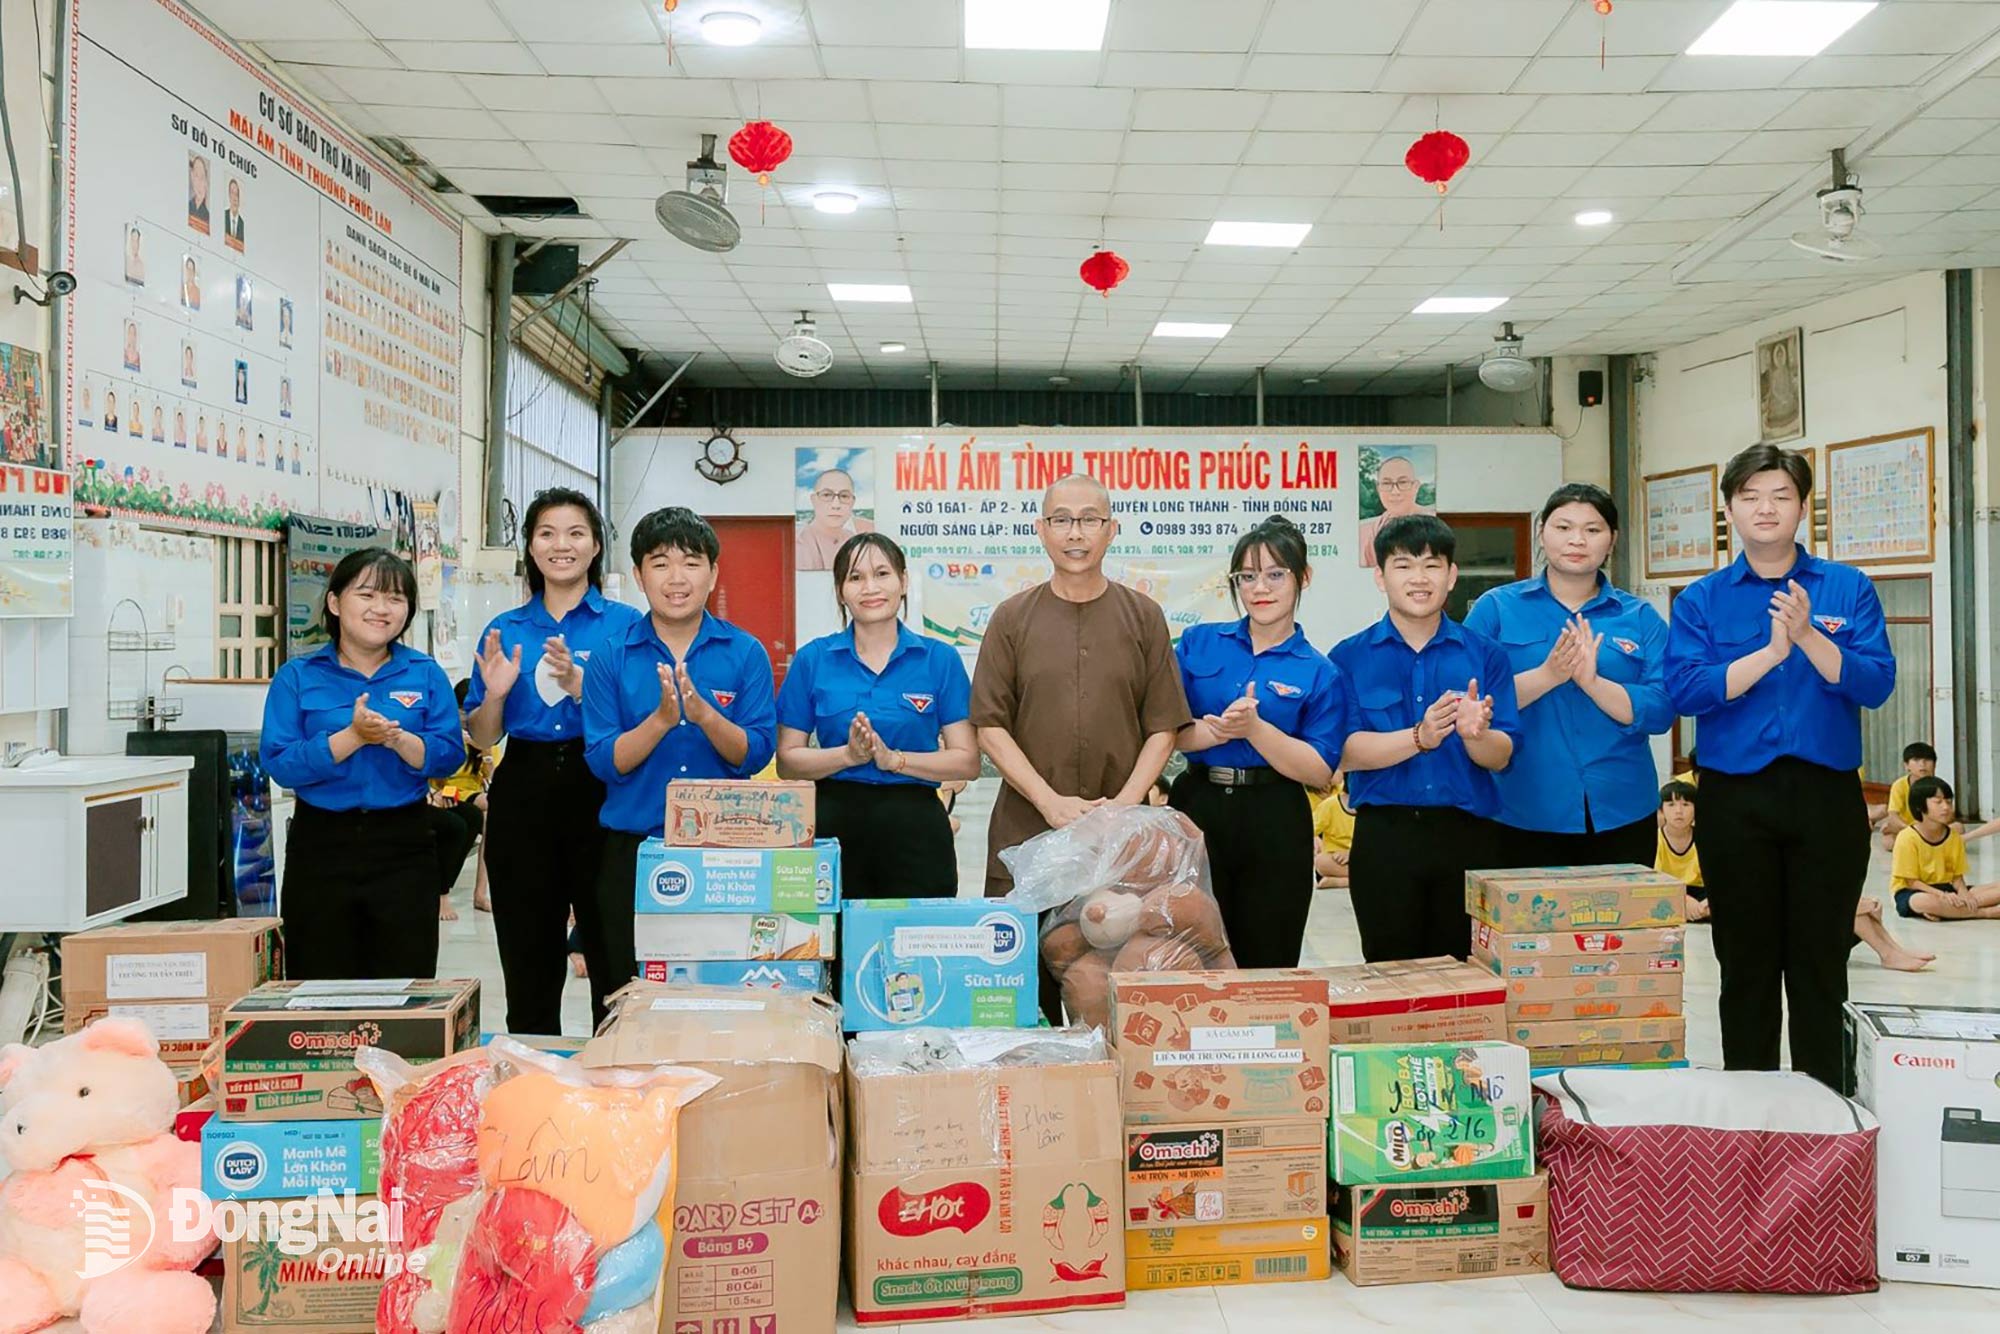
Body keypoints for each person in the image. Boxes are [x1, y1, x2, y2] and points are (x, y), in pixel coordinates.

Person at [1665, 444, 1895, 1090]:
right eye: (1750, 496)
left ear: (1804, 506)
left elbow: (1876, 684)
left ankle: (1827, 1116)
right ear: (1730, 508)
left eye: (1781, 495)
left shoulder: (1846, 588)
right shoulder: (1703, 600)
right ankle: (1751, 1116)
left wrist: (1810, 638)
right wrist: (1769, 654)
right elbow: (1685, 691)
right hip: (1736, 800)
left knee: (1822, 966)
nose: (1766, 508)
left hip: (1826, 798)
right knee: (1746, 969)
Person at [971, 474, 1190, 1017]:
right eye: (1062, 519)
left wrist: (1122, 806)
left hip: (1118, 843)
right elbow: (990, 727)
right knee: (1023, 999)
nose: (1076, 532)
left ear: (1112, 530)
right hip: (1026, 837)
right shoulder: (1011, 619)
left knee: (1115, 995)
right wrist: (1049, 802)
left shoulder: (1143, 617)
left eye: (1089, 519)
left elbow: (1163, 725)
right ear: (1040, 530)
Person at [581, 506, 776, 1029]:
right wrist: (662, 720)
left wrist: (705, 714)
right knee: (625, 999)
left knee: (720, 997)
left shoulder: (745, 652)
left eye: (691, 563)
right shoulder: (610, 655)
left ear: (713, 573)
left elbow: (756, 752)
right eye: (660, 563)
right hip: (633, 852)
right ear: (639, 575)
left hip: (724, 854)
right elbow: (603, 761)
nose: (676, 578)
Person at [465, 489, 641, 1033]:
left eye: (575, 534)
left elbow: (641, 720)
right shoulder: (507, 629)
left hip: (604, 786)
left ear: (595, 547)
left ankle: (615, 1083)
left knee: (613, 955)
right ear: (531, 548)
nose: (561, 545)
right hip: (526, 783)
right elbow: (482, 736)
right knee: (529, 957)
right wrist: (494, 695)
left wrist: (582, 686)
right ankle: (534, 1085)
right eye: (547, 533)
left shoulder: (627, 626)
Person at [259, 549, 463, 980]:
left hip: (404, 843)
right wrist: (351, 738)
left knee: (405, 979)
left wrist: (397, 739)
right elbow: (281, 764)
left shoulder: (425, 673)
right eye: (367, 595)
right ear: (335, 603)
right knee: (316, 977)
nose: (381, 609)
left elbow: (449, 756)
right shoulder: (297, 676)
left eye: (395, 598)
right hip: (320, 844)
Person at [1331, 515, 1519, 963]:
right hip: (1386, 837)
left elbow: (1503, 755)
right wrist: (1421, 736)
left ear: (1451, 575)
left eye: (1432, 565)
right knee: (1388, 973)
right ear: (1380, 577)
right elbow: (1343, 752)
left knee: (1466, 974)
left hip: (1469, 837)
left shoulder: (1485, 655)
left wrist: (1475, 735)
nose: (1419, 578)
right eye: (1403, 566)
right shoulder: (1347, 657)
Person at [1169, 516, 1349, 968]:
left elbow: (1319, 770)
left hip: (1275, 814)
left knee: (1269, 951)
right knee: (1186, 948)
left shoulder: (1319, 671)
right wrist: (1212, 732)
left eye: (1275, 574)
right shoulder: (1197, 644)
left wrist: (1256, 731)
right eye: (1247, 577)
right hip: (1198, 805)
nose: (1259, 588)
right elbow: (1164, 726)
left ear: (1303, 578)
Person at [1467, 484, 1673, 867]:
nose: (1577, 539)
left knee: (1619, 928)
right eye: (1563, 527)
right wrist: (1548, 675)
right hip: (1519, 809)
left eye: (1593, 530)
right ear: (1541, 532)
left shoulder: (1640, 618)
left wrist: (1594, 684)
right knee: (1527, 928)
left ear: (1612, 540)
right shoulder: (1496, 608)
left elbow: (1662, 710)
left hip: (1621, 809)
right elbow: (1470, 702)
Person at [776, 533, 979, 898]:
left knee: (915, 947)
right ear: (840, 591)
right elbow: (787, 761)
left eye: (882, 574)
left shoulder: (939, 659)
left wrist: (894, 760)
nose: (870, 587)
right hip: (831, 831)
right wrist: (847, 756)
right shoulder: (813, 660)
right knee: (832, 948)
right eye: (855, 578)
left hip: (917, 832)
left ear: (903, 581)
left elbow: (967, 762)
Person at [1888, 776, 2000, 921]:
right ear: (1919, 806)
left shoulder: (1953, 837)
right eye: (1938, 802)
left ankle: (1948, 911)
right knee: (1923, 902)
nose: (1946, 807)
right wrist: (1941, 895)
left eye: (1948, 801)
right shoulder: (1907, 837)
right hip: (1916, 891)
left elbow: (1957, 878)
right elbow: (1911, 882)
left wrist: (1964, 893)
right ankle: (1985, 913)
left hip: (1947, 888)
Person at [430, 679, 494, 923]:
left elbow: (491, 779)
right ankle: (443, 889)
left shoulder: (483, 735)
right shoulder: (445, 733)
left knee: (492, 813)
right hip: (445, 790)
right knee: (472, 817)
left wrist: (484, 753)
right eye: (463, 713)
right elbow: (435, 776)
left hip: (470, 794)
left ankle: (481, 892)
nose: (467, 719)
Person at [1358, 453, 1434, 570]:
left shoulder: (1434, 522)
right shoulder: (1368, 532)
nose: (1395, 492)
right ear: (1378, 489)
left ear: (1416, 486)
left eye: (1402, 482)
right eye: (1387, 483)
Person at [794, 467, 875, 571]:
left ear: (852, 502)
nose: (836, 505)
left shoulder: (852, 539)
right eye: (827, 495)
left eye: (844, 496)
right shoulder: (800, 544)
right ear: (813, 500)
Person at [1656, 779, 1704, 921]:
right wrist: (1684, 900)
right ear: (1661, 810)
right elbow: (1654, 882)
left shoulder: (1706, 839)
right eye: (1671, 805)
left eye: (1686, 804)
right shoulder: (1655, 840)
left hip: (1700, 893)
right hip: (1666, 892)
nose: (1679, 811)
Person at [1875, 741, 1937, 849]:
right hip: (1905, 827)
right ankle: (1920, 842)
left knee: (1958, 828)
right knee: (1889, 842)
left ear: (1934, 764)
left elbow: (1948, 814)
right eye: (1916, 760)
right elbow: (1893, 814)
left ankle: (1920, 843)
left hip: (1930, 828)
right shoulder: (1899, 786)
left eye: (1927, 760)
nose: (1922, 764)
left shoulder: (1939, 787)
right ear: (1907, 765)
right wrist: (1910, 829)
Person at [1312, 775, 1355, 889]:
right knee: (1321, 861)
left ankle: (1344, 881)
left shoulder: (1372, 807)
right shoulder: (1330, 805)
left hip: (1361, 857)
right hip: (1336, 862)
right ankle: (1358, 879)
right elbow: (1307, 830)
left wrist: (1352, 853)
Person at [187, 154, 210, 232]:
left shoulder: (208, 217)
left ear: (206, 182)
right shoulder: (188, 206)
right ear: (192, 177)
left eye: (202, 177)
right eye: (196, 176)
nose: (199, 183)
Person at [224, 178, 246, 249]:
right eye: (232, 193)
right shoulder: (223, 216)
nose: (235, 198)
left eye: (237, 194)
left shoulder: (242, 225)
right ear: (229, 196)